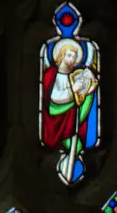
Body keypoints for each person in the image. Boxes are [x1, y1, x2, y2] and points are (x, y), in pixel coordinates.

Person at [40, 36, 98, 184]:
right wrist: (74, 90)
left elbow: (81, 98)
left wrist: (89, 87)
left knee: (76, 143)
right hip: (56, 115)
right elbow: (54, 99)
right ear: (61, 56)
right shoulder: (51, 74)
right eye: (69, 55)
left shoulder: (74, 76)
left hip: (72, 118)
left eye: (74, 56)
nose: (72, 59)